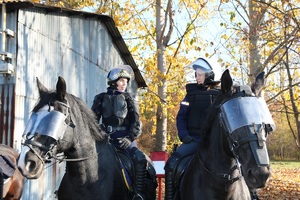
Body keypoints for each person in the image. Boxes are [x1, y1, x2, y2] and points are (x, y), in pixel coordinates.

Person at [164, 57, 222, 200]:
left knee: (241, 162)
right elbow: (181, 117)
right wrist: (184, 136)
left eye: (200, 74)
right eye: (196, 74)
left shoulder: (222, 95)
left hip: (215, 144)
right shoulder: (189, 95)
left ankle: (251, 194)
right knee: (171, 165)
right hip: (193, 140)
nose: (197, 77)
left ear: (210, 75)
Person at [91, 65, 146, 200]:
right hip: (105, 139)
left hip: (125, 139)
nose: (124, 84)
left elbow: (135, 122)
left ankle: (138, 194)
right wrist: (99, 132)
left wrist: (130, 137)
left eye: (126, 81)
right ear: (113, 81)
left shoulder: (129, 99)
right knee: (83, 156)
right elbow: (92, 120)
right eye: (121, 81)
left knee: (140, 160)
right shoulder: (100, 98)